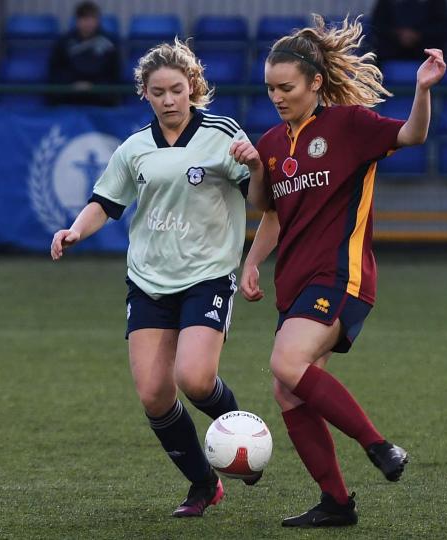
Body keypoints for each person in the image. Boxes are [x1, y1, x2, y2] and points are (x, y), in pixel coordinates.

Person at [239, 15, 445, 527]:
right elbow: (269, 212)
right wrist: (250, 262)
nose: (277, 96)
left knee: (286, 363)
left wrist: (422, 91)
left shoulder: (349, 125)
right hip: (295, 282)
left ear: (314, 83)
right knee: (287, 389)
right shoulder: (269, 142)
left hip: (340, 274)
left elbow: (412, 136)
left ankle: (380, 447)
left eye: (286, 87)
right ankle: (336, 502)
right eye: (270, 88)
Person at [50, 38, 261, 517]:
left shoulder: (222, 134)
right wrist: (76, 230)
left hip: (207, 275)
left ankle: (243, 435)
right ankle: (204, 484)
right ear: (144, 93)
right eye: (158, 91)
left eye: (177, 90)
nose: (168, 99)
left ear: (194, 89)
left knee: (195, 377)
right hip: (148, 279)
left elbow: (262, 199)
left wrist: (256, 166)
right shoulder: (134, 149)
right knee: (153, 394)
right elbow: (106, 202)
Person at [48, 1, 120, 107]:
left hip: (100, 97)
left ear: (98, 20)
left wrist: (94, 86)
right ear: (77, 20)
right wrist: (73, 85)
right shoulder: (64, 42)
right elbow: (56, 70)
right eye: (84, 18)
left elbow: (114, 73)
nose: (88, 23)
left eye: (92, 18)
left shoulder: (110, 43)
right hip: (70, 95)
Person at [371, 0, 447, 63]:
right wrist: (398, 33)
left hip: (424, 44)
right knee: (373, 54)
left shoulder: (437, 2)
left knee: (436, 54)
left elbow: (442, 25)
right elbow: (378, 24)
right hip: (392, 43)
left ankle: (432, 83)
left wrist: (418, 34)